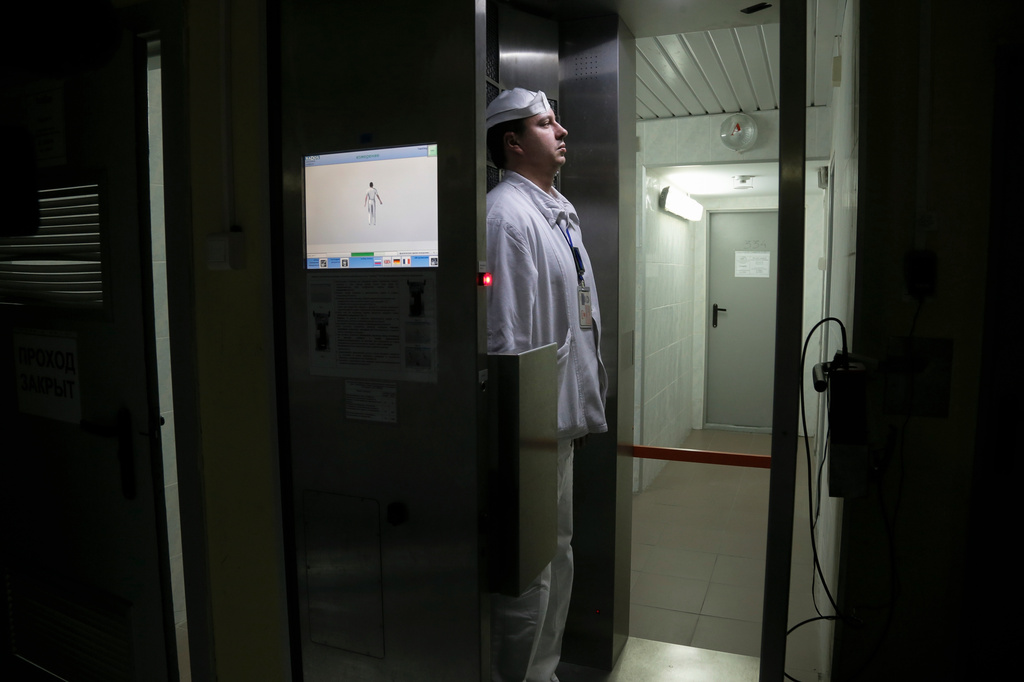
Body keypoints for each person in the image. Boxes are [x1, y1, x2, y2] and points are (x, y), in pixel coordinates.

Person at [486, 88, 608, 682]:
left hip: (556, 423)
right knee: (530, 567)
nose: (560, 131)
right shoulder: (506, 215)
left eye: (557, 121)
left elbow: (574, 320)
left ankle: (545, 671)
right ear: (512, 143)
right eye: (544, 123)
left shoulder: (555, 210)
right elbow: (505, 337)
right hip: (529, 429)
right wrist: (523, 433)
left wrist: (577, 413)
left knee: (556, 554)